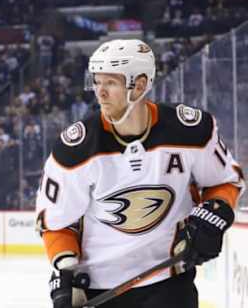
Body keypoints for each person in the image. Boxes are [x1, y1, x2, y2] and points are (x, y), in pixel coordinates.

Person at [35, 39, 245, 308]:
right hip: (99, 289)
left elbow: (225, 181)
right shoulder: (76, 149)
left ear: (141, 85)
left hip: (169, 282)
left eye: (110, 82)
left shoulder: (189, 130)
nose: (100, 93)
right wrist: (64, 272)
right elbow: (55, 223)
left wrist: (215, 213)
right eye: (97, 82)